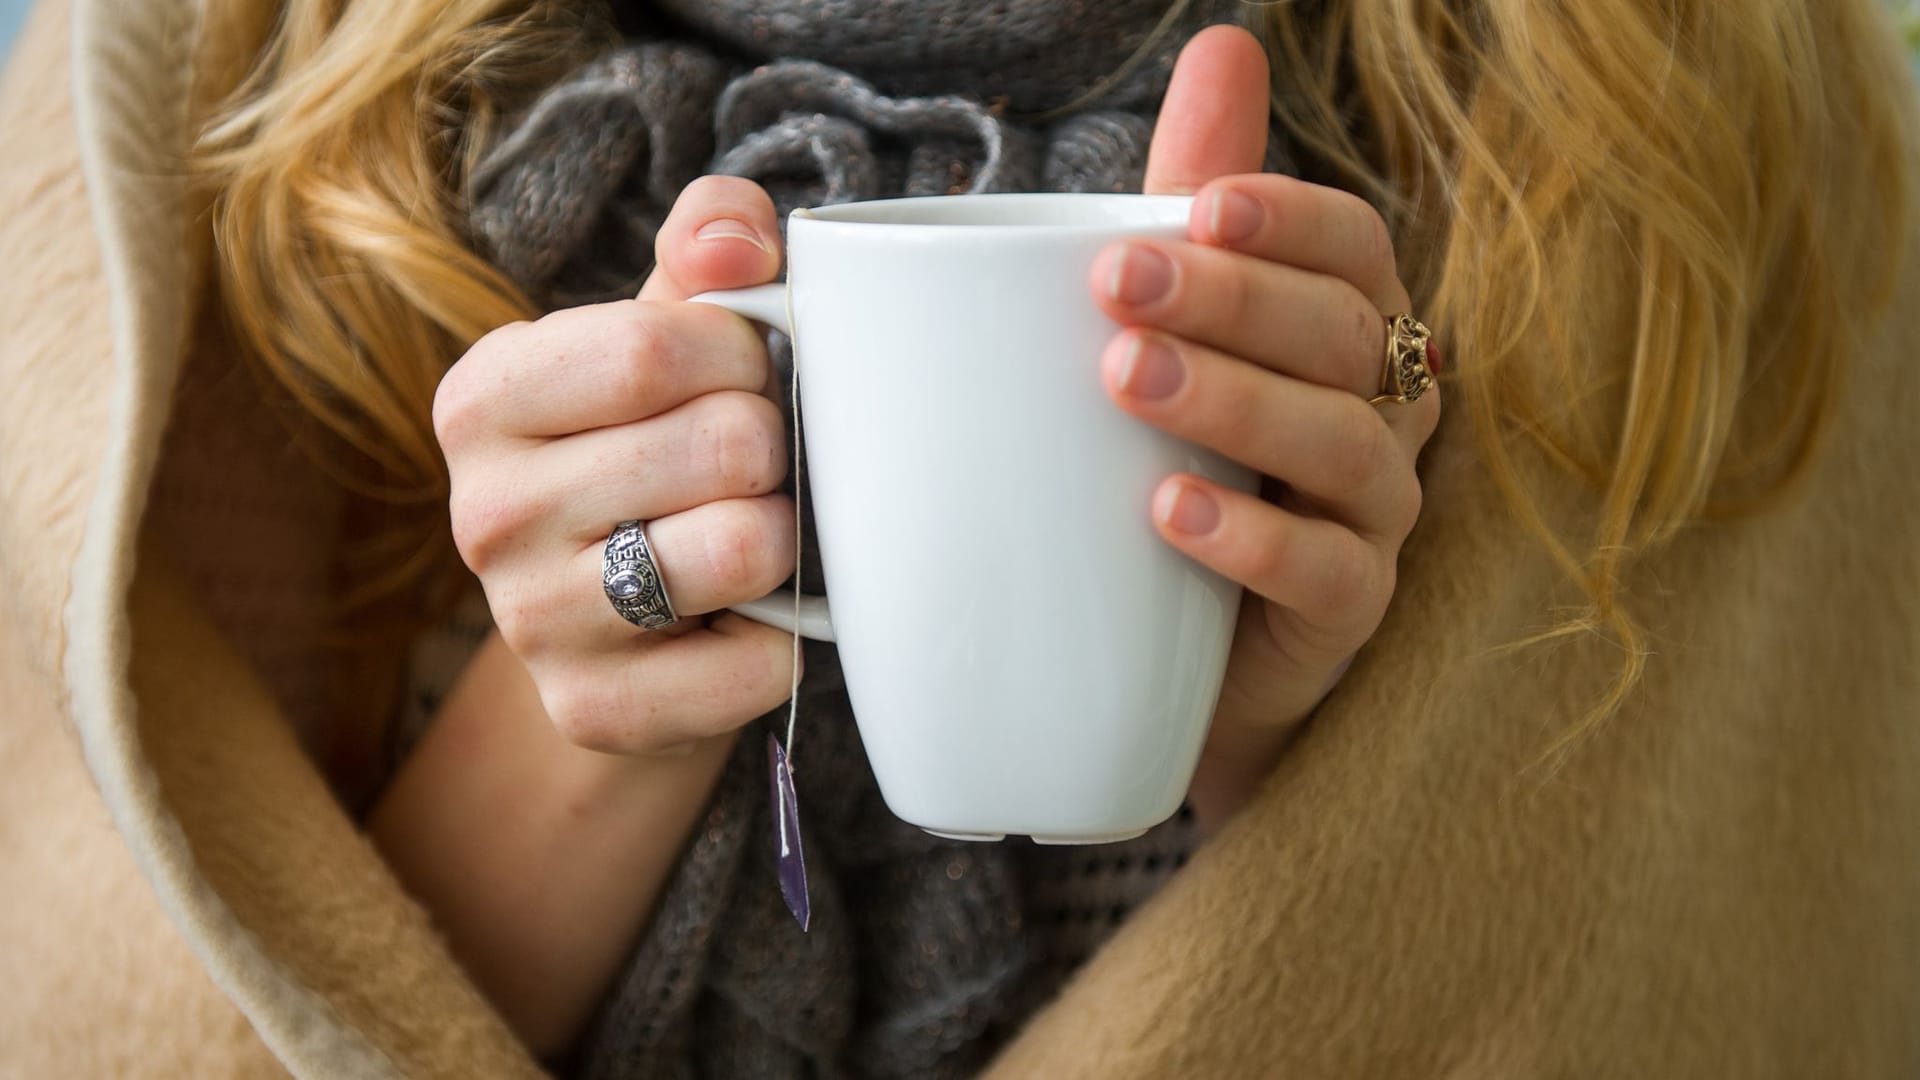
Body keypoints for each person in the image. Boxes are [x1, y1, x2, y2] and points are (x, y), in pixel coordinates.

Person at [1, 0, 1916, 1076]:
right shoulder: (203, 92)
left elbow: (1699, 972)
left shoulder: (1691, 119)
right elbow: (171, 1017)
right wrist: (628, 654)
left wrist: (1299, 728)